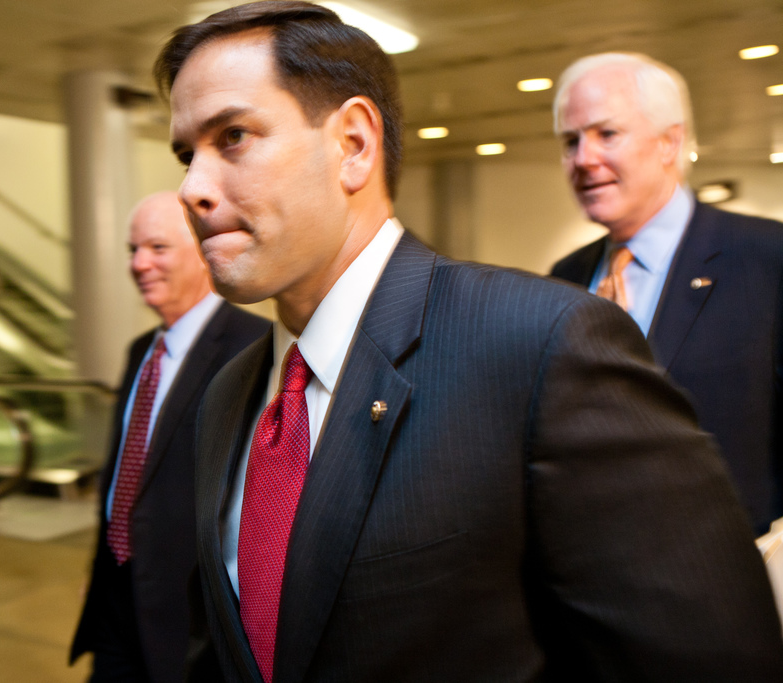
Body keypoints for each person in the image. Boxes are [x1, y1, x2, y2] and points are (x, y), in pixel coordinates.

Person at [155, 3, 783, 681]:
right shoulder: (231, 397)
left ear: (354, 144)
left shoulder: (542, 343)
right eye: (187, 154)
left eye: (235, 136)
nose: (191, 189)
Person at [549, 52, 783, 535]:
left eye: (606, 134)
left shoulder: (766, 258)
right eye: (571, 141)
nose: (583, 159)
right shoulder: (565, 278)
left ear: (669, 142)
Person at [70, 192, 268, 682]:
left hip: (189, 612)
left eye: (157, 248)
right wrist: (99, 574)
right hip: (116, 594)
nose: (139, 264)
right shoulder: (141, 349)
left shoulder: (254, 348)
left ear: (202, 252)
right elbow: (126, 474)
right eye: (132, 249)